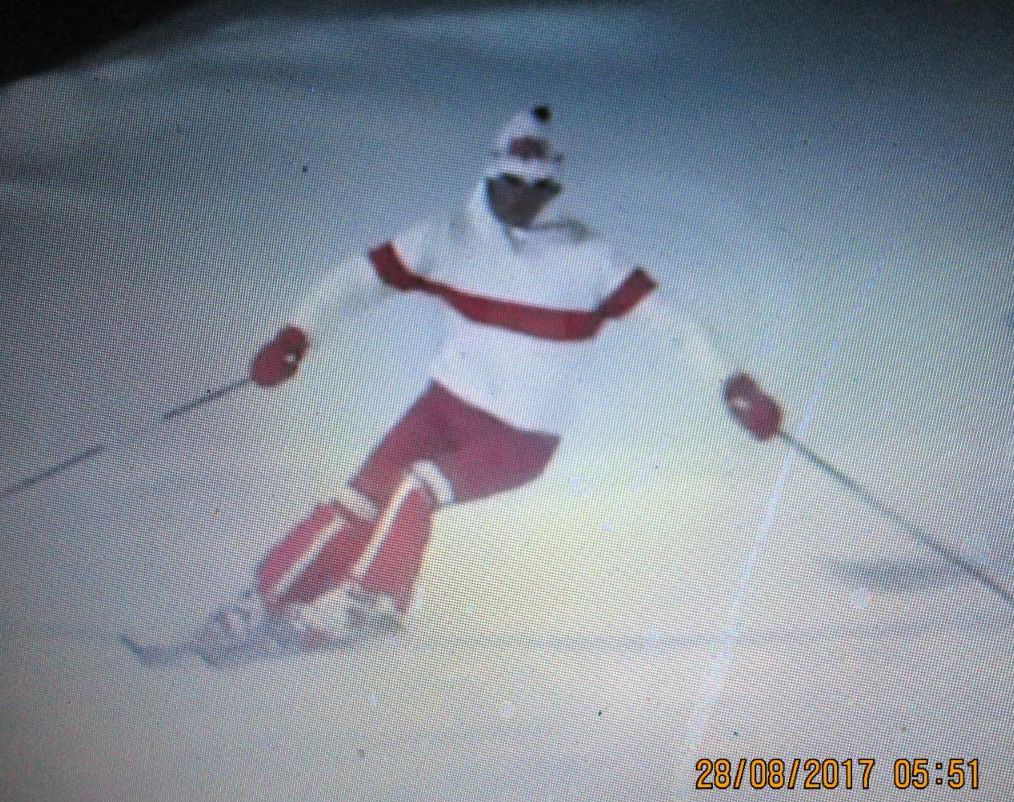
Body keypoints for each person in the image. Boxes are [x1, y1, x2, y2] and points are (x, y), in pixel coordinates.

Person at [230, 105, 782, 645]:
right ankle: (262, 606)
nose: (523, 198)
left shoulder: (587, 257)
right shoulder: (446, 238)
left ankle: (372, 616)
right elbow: (357, 281)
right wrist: (296, 335)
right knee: (358, 499)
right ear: (492, 174)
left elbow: (672, 325)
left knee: (417, 489)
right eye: (512, 183)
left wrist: (733, 383)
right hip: (444, 405)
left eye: (539, 189)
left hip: (522, 436)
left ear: (555, 189)